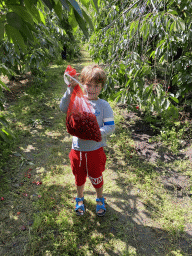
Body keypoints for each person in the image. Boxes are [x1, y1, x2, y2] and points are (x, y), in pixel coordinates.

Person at [60, 65, 115, 216]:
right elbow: (63, 108)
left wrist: (94, 133)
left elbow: (110, 127)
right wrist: (70, 89)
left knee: (96, 176)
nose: (92, 89)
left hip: (95, 151)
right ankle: (79, 197)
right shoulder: (77, 101)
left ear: (102, 87)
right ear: (82, 83)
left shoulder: (103, 106)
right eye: (88, 85)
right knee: (79, 176)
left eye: (96, 86)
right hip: (77, 150)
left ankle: (99, 198)